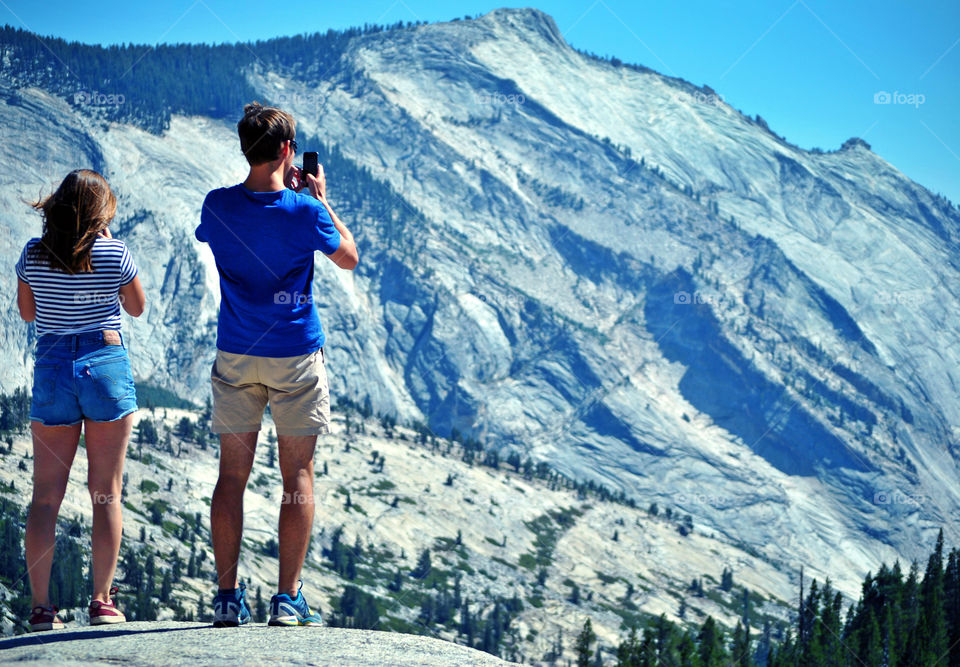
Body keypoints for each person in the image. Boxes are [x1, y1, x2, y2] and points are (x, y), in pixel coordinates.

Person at [196, 102, 358, 627]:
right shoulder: (305, 212)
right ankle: (288, 598)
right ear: (288, 150)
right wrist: (319, 200)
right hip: (294, 356)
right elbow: (349, 256)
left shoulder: (217, 206)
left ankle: (226, 597)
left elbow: (222, 231)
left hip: (237, 353)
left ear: (245, 147)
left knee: (231, 476)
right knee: (297, 476)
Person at [16, 169, 146, 632]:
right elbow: (136, 307)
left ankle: (40, 608)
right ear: (99, 211)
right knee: (106, 490)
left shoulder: (33, 253)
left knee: (45, 498)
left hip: (52, 367)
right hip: (104, 363)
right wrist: (108, 249)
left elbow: (28, 313)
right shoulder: (114, 252)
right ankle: (102, 601)